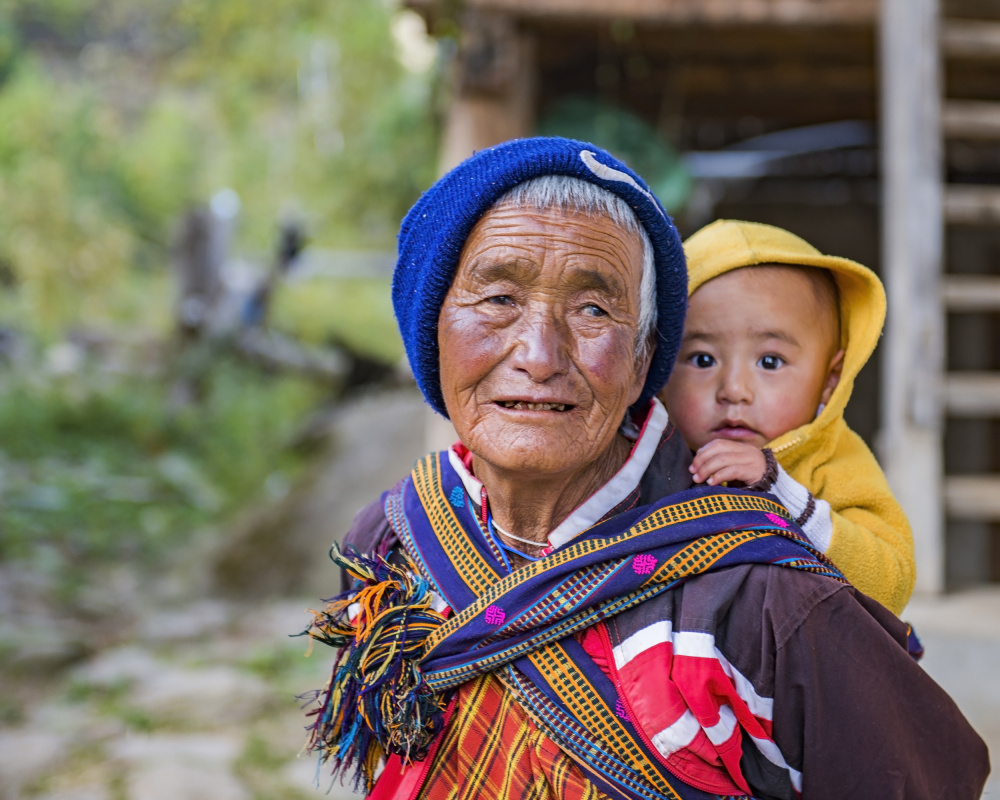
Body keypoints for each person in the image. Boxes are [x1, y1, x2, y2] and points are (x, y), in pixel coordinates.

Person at [302, 138, 988, 800]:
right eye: (499, 298)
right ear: (433, 330)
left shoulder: (766, 602)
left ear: (641, 360)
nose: (540, 354)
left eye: (594, 308)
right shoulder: (390, 546)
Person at [659, 220, 914, 614]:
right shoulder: (647, 454)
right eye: (702, 359)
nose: (734, 389)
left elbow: (890, 585)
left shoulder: (832, 461)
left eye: (770, 361)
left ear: (829, 380)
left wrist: (780, 491)